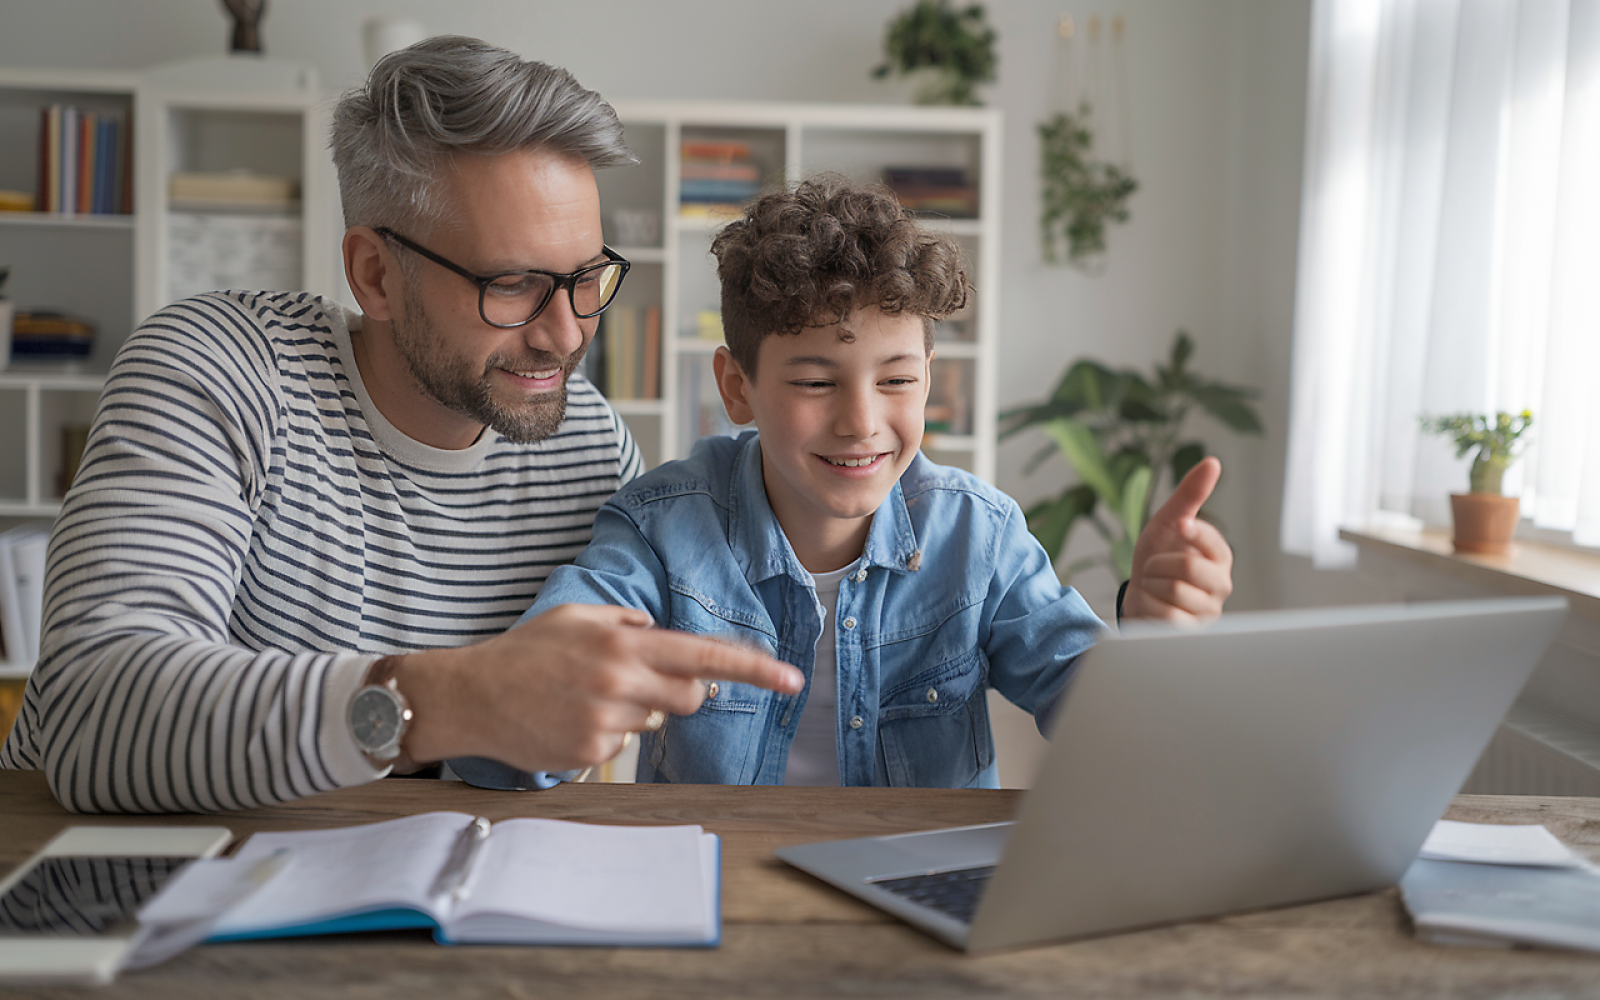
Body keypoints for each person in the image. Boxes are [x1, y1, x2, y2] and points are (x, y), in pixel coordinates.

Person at [0, 36, 802, 814]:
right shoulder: (221, 370)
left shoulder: (589, 447)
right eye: (512, 284)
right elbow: (92, 718)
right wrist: (448, 701)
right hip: (97, 877)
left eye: (586, 276)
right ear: (375, 275)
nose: (565, 335)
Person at [517, 175, 1234, 788]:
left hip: (918, 880)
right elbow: (525, 725)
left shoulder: (979, 536)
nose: (861, 423)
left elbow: (1109, 731)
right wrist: (553, 697)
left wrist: (1152, 639)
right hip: (717, 877)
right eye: (815, 382)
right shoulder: (659, 531)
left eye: (896, 381)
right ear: (737, 388)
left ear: (929, 381)